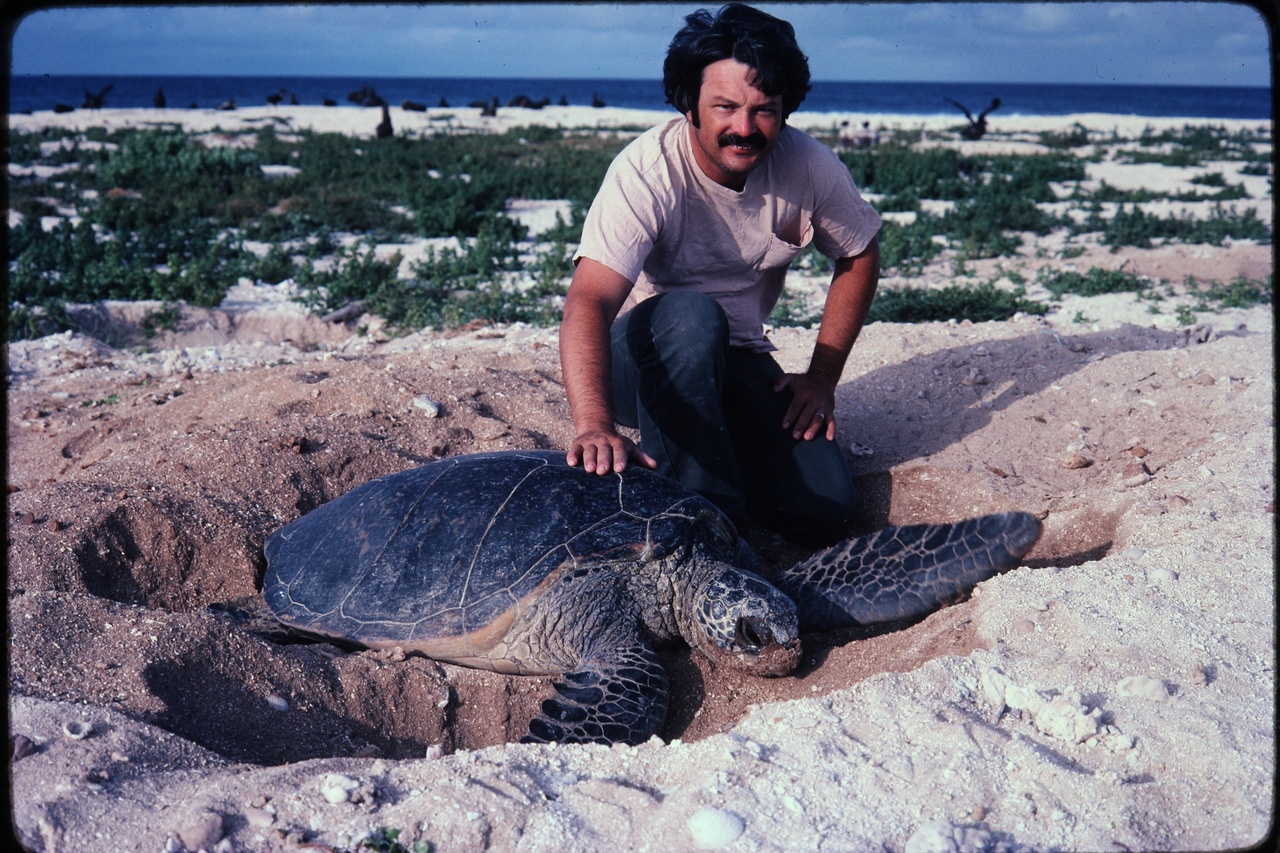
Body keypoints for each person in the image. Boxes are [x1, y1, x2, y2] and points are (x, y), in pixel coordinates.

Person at [559, 3, 881, 545]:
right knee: (691, 314)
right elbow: (588, 301)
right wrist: (593, 423)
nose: (745, 128)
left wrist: (822, 378)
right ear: (690, 106)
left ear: (785, 110)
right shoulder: (646, 170)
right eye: (725, 107)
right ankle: (698, 524)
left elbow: (861, 254)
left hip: (734, 355)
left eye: (765, 110)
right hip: (639, 356)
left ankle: (728, 473)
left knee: (824, 507)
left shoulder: (809, 165)